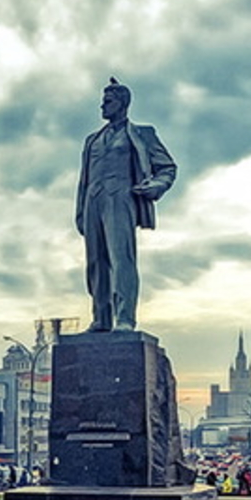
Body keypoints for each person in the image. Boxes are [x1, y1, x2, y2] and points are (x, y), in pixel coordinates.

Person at [75, 78, 178, 332]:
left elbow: (167, 167)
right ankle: (101, 318)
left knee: (122, 258)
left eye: (108, 101)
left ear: (122, 104)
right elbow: (83, 179)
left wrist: (157, 185)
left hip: (120, 197)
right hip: (93, 200)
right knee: (96, 263)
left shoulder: (142, 134)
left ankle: (124, 318)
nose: (102, 106)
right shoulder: (91, 140)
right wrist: (80, 211)